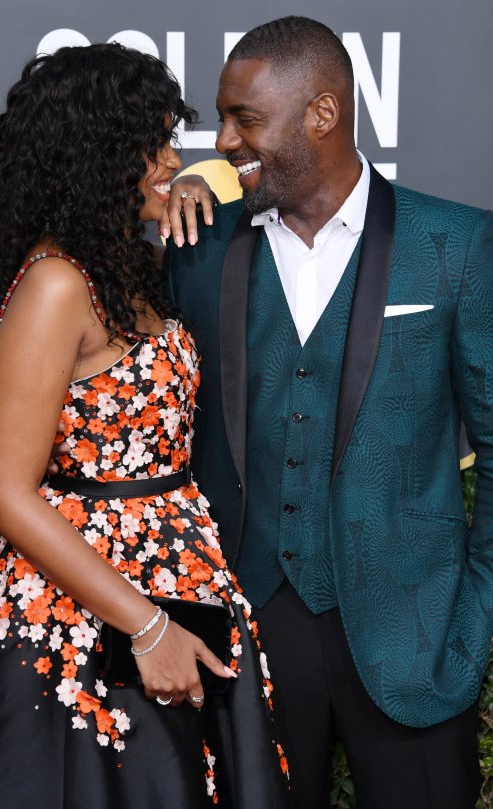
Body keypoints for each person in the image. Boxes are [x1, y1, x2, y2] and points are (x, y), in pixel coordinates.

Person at [163, 16, 493, 809]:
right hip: (249, 634)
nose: (223, 141)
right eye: (222, 117)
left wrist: (474, 614)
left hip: (416, 634)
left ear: (322, 113)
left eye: (244, 118)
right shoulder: (197, 245)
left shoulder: (455, 244)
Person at [0, 43, 291, 809]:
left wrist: (183, 204)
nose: (174, 158)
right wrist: (145, 626)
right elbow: (2, 489)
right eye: (154, 144)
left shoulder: (127, 267)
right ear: (97, 156)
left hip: (182, 584)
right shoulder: (55, 284)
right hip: (86, 615)